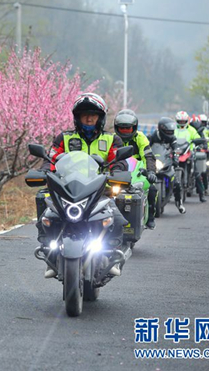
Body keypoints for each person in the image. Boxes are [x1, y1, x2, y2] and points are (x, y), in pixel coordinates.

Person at [37, 93, 128, 278]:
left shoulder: (111, 140)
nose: (88, 118)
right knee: (45, 207)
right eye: (84, 114)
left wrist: (118, 172)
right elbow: (51, 159)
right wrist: (44, 171)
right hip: (68, 190)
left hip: (100, 191)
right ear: (77, 117)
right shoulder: (64, 138)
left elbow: (118, 161)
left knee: (117, 218)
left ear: (100, 118)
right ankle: (49, 251)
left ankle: (113, 254)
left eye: (93, 115)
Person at [113, 109, 157, 229]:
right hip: (118, 172)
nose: (125, 131)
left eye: (128, 128)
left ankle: (151, 216)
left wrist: (151, 171)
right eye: (122, 128)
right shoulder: (112, 138)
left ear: (134, 128)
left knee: (152, 190)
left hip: (139, 172)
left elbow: (149, 156)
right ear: (116, 127)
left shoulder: (141, 138)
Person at [148, 117, 186, 214]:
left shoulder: (172, 138)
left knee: (176, 183)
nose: (170, 133)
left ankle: (179, 203)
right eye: (167, 131)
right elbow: (147, 147)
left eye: (171, 131)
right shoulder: (154, 136)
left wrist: (176, 157)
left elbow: (176, 147)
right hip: (156, 161)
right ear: (161, 130)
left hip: (167, 161)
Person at [175, 111, 207, 202]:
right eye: (180, 121)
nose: (181, 123)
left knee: (197, 174)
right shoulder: (174, 130)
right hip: (177, 153)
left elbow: (197, 137)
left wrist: (198, 141)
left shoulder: (191, 130)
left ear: (187, 121)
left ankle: (202, 194)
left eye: (183, 121)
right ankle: (165, 191)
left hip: (189, 153)